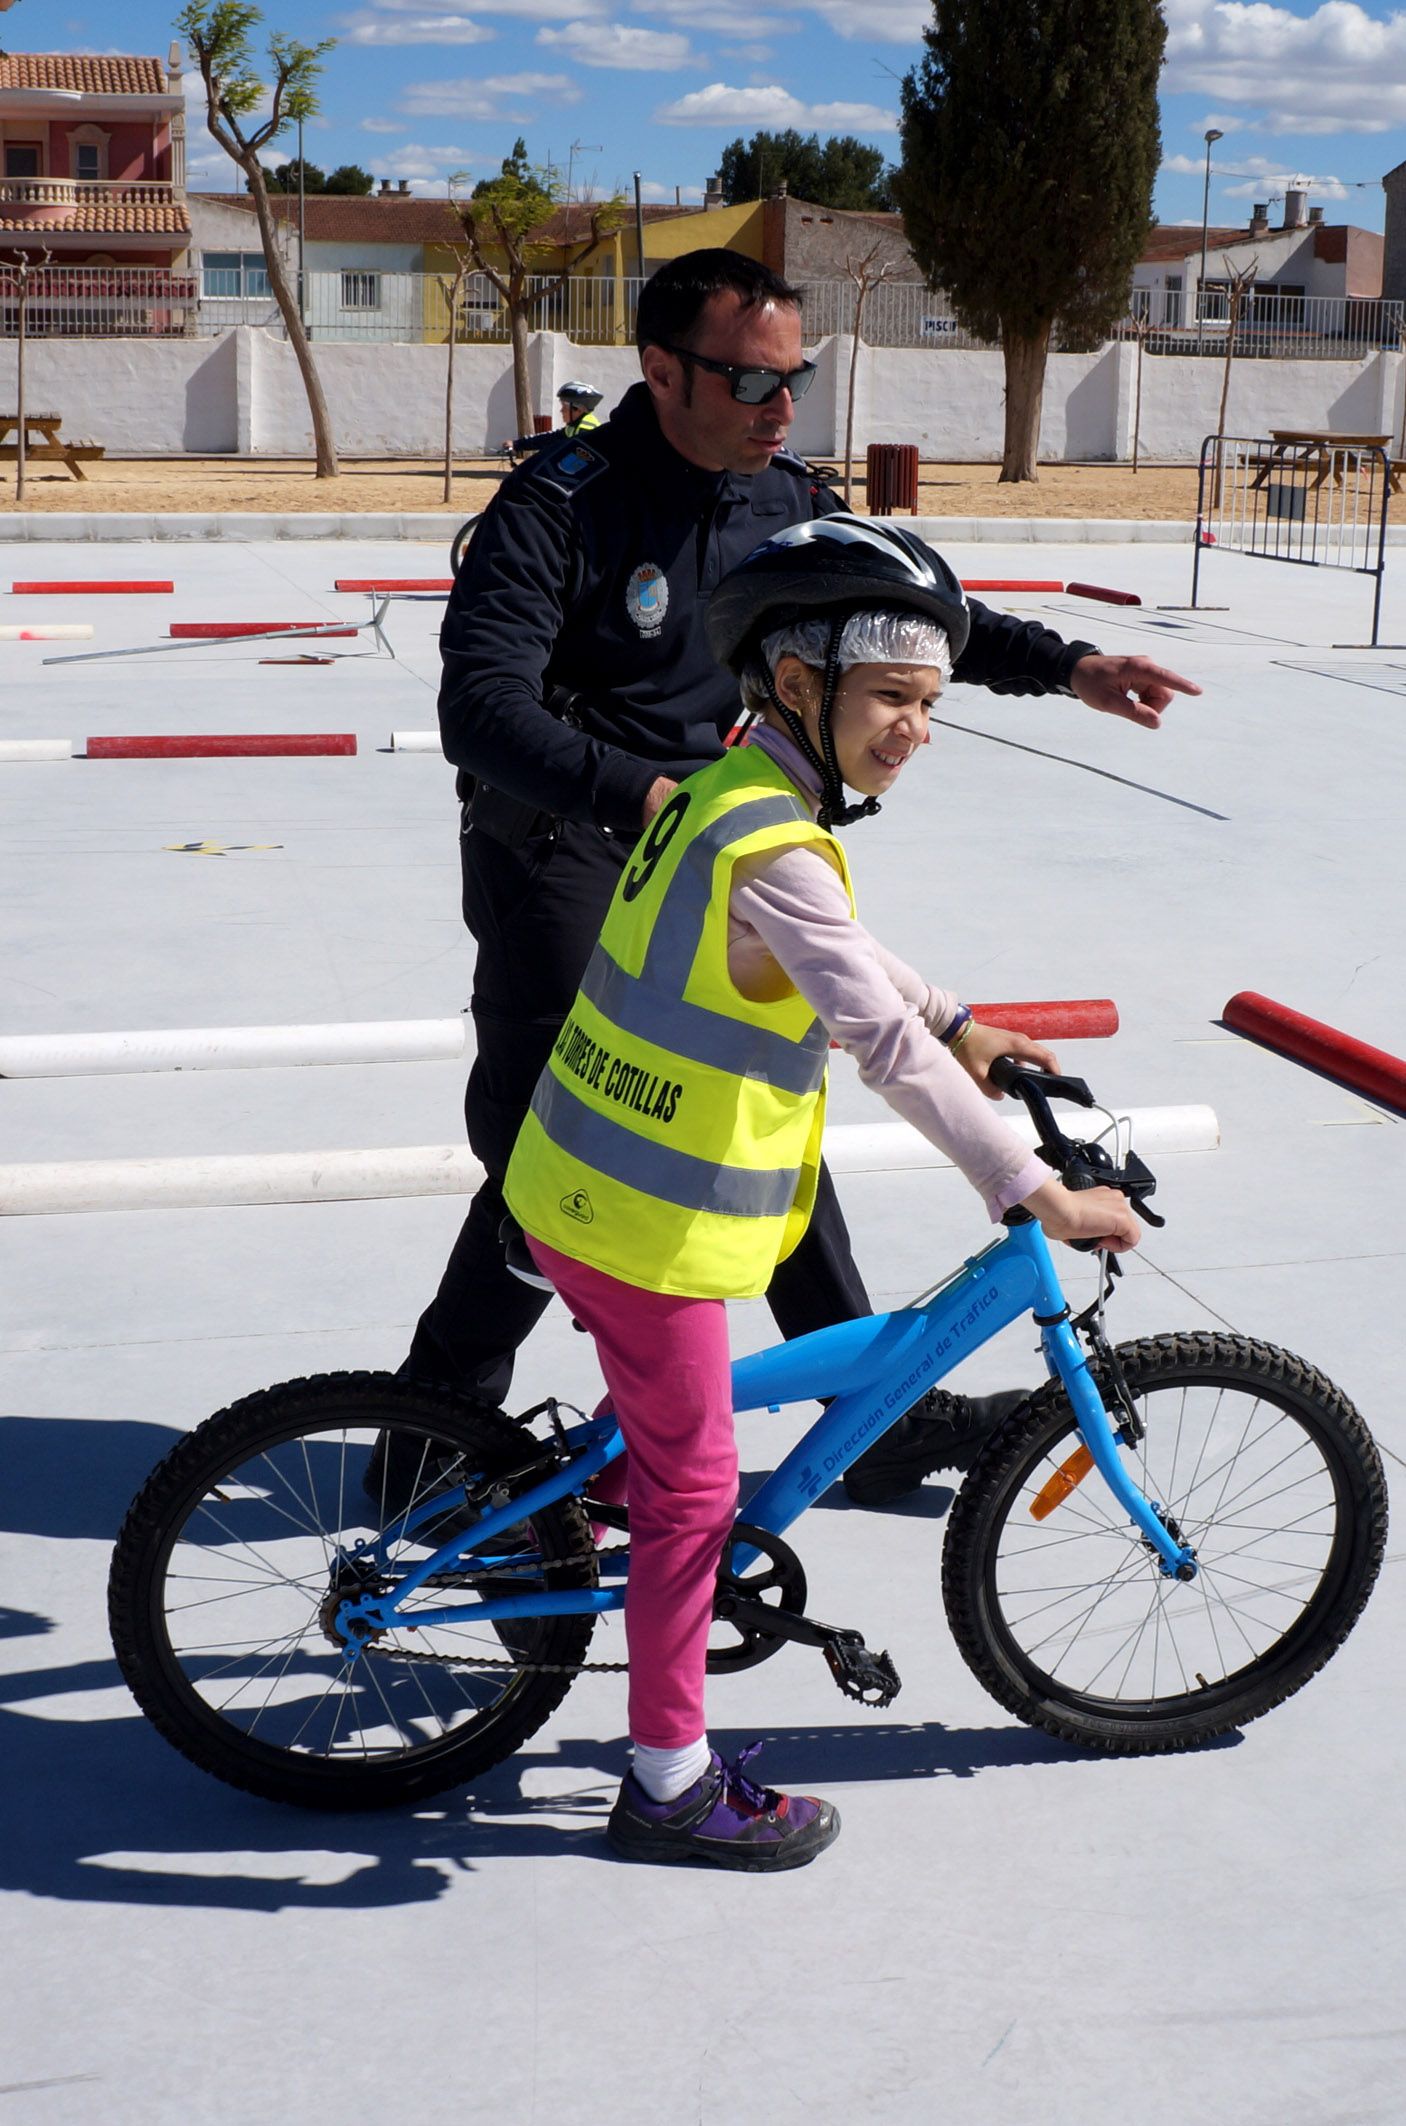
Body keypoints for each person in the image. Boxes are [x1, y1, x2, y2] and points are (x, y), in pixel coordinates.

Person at [407, 245, 1198, 1508]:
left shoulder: (780, 494)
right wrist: (648, 793)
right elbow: (481, 711)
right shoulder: (560, 504)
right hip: (566, 852)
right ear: (660, 369)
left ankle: (866, 1413)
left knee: (760, 1120)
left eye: (797, 378)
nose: (783, 407)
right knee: (547, 1148)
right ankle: (432, 1431)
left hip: (724, 842)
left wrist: (1068, 663)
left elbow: (900, 608)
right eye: (751, 380)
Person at [501, 515, 1143, 1869]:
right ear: (797, 682)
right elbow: (876, 1038)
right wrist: (1028, 1188)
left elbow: (848, 960)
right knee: (695, 1490)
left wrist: (963, 1013)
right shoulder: (776, 844)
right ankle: (668, 1783)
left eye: (929, 703)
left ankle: (594, 1492)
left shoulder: (729, 790)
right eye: (891, 698)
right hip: (642, 1227)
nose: (913, 728)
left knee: (678, 1432)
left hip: (574, 1182)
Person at [505, 380, 604, 462]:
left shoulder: (586, 430)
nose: (561, 411)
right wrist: (517, 444)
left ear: (578, 409)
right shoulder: (574, 426)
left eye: (564, 407)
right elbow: (549, 438)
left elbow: (572, 459)